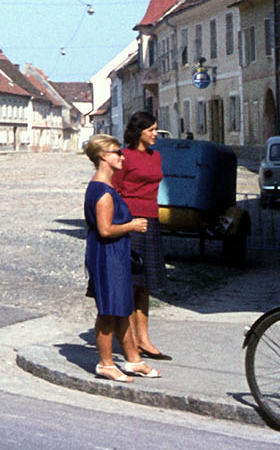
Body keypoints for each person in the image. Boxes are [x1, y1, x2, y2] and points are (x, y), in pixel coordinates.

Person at [83, 134, 161, 382]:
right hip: (106, 256)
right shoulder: (102, 192)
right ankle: (105, 364)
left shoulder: (106, 188)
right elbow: (105, 230)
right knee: (108, 311)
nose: (122, 156)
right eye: (117, 152)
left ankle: (133, 360)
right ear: (103, 157)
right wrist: (132, 225)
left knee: (122, 309)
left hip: (115, 255)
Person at [113, 111, 169, 362]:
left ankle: (144, 338)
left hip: (151, 221)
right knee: (130, 282)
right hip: (130, 221)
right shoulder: (124, 157)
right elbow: (114, 190)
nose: (155, 134)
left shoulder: (156, 156)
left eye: (156, 129)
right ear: (138, 132)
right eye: (151, 130)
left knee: (145, 283)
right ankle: (129, 340)